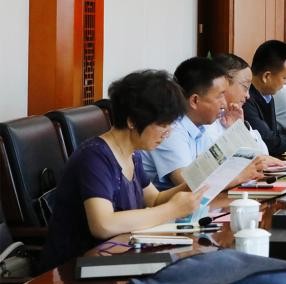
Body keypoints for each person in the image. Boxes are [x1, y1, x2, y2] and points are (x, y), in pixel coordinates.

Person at [40, 70, 203, 269]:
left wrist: (192, 184)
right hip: (76, 269)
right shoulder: (94, 157)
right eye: (162, 125)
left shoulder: (132, 153)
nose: (167, 134)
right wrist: (172, 210)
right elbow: (103, 224)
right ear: (132, 121)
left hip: (116, 258)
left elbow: (154, 199)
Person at [140, 57, 232, 190]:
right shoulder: (170, 129)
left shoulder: (200, 126)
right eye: (220, 96)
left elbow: (219, 166)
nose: (224, 103)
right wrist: (239, 176)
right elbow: (190, 184)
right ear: (194, 101)